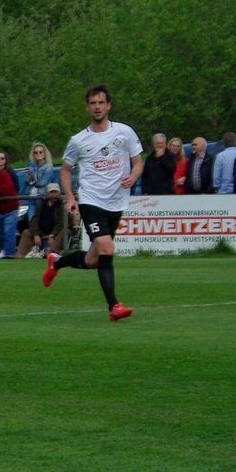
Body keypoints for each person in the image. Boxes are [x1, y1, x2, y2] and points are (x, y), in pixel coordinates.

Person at [42, 85, 143, 321]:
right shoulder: (78, 140)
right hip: (91, 200)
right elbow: (65, 171)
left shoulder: (124, 132)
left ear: (108, 105)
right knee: (107, 248)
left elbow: (138, 161)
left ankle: (56, 263)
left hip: (117, 202)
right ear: (88, 107)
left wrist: (134, 175)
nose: (97, 107)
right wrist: (70, 197)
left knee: (93, 260)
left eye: (101, 102)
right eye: (93, 103)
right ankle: (114, 307)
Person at [16, 183, 74, 257]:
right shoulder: (41, 205)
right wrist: (36, 234)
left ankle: (51, 253)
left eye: (55, 192)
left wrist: (52, 235)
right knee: (27, 232)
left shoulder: (63, 206)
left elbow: (62, 223)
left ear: (59, 193)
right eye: (51, 192)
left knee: (66, 231)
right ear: (47, 193)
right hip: (42, 232)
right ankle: (20, 254)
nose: (54, 194)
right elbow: (34, 220)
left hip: (57, 232)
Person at [23, 142, 54, 220]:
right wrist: (28, 175)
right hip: (31, 198)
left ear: (44, 153)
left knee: (41, 221)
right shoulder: (31, 166)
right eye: (35, 152)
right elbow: (27, 183)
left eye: (40, 152)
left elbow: (42, 183)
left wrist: (32, 175)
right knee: (31, 221)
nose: (38, 154)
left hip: (42, 198)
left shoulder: (48, 166)